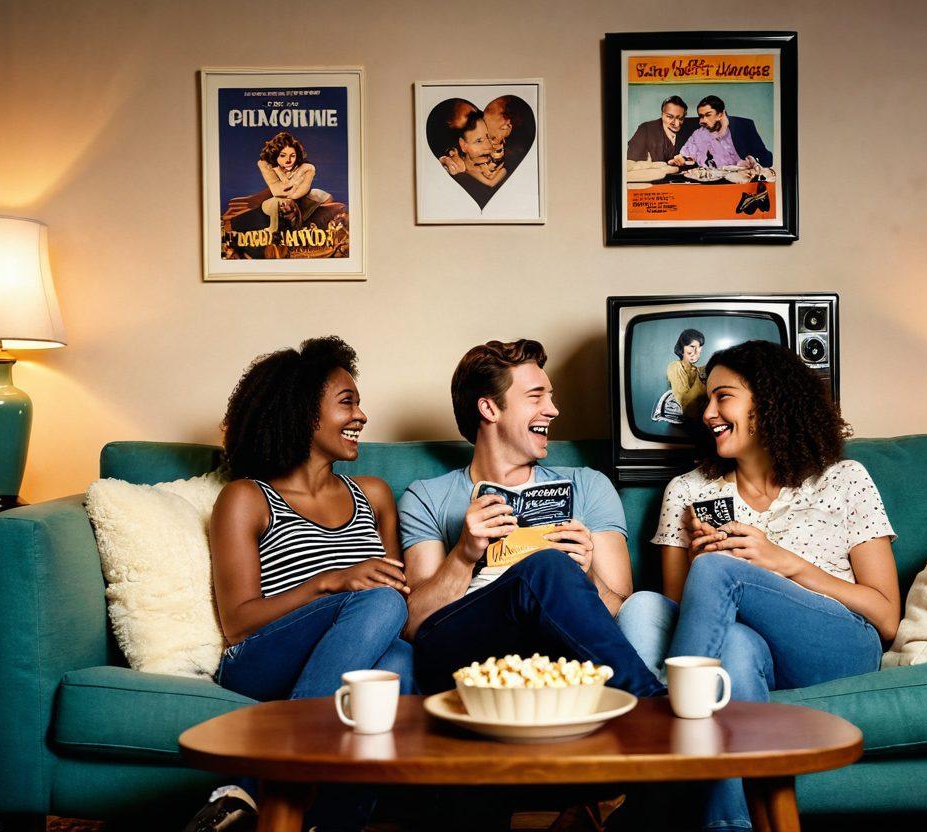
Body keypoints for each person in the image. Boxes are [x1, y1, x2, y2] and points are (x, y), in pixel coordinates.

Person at [616, 339, 900, 831]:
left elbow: (887, 617)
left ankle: (663, 762)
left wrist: (783, 563)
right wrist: (701, 562)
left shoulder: (843, 479)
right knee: (660, 613)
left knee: (718, 570)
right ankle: (729, 824)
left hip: (837, 644)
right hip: (741, 653)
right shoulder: (688, 491)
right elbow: (686, 620)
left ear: (768, 403)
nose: (707, 413)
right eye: (706, 399)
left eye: (722, 397)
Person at [183, 336, 413, 832]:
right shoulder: (247, 498)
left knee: (398, 662)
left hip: (352, 659)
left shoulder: (374, 495)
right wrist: (330, 583)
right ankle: (273, 776)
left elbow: (403, 601)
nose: (362, 416)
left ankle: (305, 816)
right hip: (261, 660)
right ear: (303, 414)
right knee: (379, 600)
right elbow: (239, 624)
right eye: (347, 402)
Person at [398, 338, 665, 699]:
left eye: (550, 397)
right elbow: (415, 626)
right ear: (489, 408)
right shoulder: (426, 496)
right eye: (536, 397)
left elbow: (619, 616)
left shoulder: (588, 486)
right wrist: (463, 555)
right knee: (546, 566)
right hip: (462, 654)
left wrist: (587, 575)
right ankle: (652, 703)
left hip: (556, 650)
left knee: (550, 567)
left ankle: (645, 701)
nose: (553, 410)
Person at [670, 94, 774, 169]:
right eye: (701, 116)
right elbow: (686, 155)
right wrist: (681, 160)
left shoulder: (743, 127)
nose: (702, 121)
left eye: (708, 115)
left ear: (720, 114)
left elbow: (767, 158)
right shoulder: (698, 134)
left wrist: (754, 161)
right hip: (714, 182)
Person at [256, 131, 331, 235]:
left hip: (312, 200)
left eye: (292, 155)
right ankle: (275, 232)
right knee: (278, 202)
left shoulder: (307, 168)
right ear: (275, 155)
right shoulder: (266, 165)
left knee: (286, 203)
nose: (288, 160)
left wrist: (280, 174)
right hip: (284, 204)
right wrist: (290, 181)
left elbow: (296, 195)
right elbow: (276, 191)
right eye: (283, 155)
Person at [653, 328, 706, 424]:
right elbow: (687, 408)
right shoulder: (675, 366)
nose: (696, 351)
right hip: (679, 425)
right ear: (682, 348)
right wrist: (701, 378)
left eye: (699, 347)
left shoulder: (698, 370)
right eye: (691, 346)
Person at [626, 95, 696, 162]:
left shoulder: (693, 128)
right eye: (670, 117)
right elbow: (631, 162)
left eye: (680, 118)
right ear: (662, 114)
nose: (677, 124)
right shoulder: (645, 129)